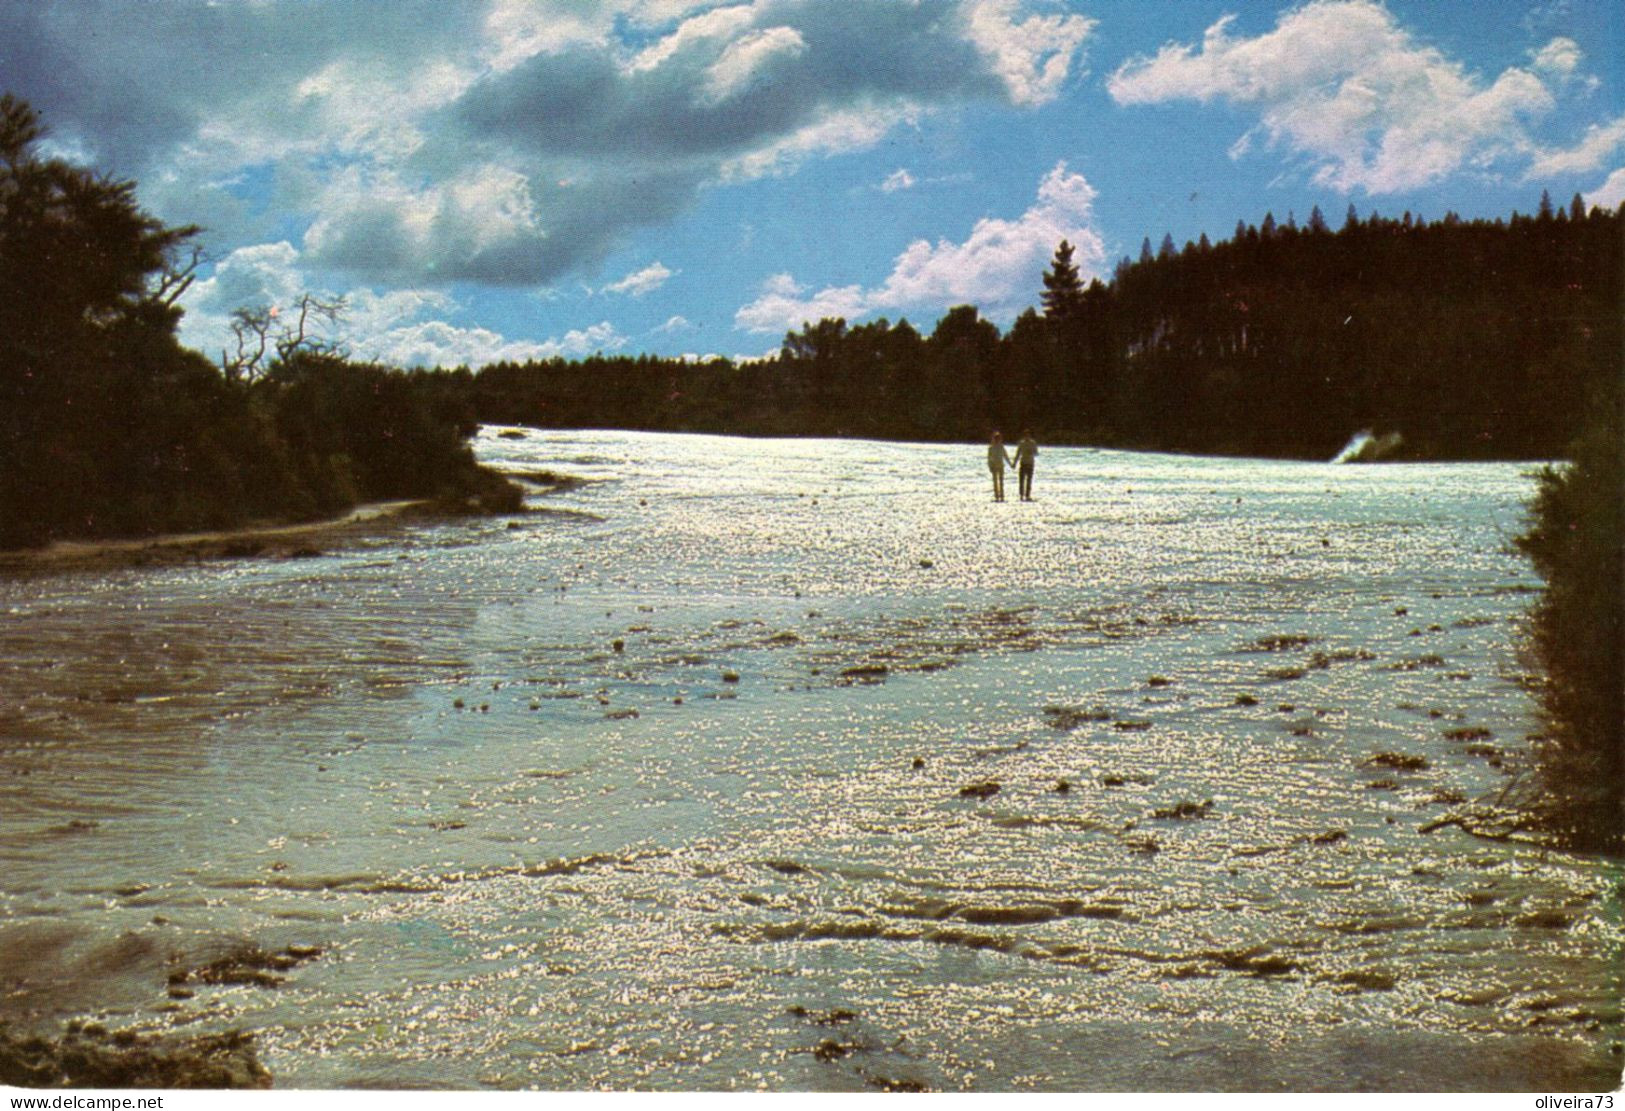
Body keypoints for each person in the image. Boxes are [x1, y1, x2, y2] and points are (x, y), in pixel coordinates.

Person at [987, 431, 1014, 502]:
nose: (997, 440)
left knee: (1001, 482)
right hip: (994, 466)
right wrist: (990, 466)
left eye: (998, 438)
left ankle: (1002, 496)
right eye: (996, 438)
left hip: (1001, 466)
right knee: (995, 482)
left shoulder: (1001, 447)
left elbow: (1005, 456)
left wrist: (1010, 464)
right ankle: (997, 496)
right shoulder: (991, 448)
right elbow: (989, 458)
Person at [1014, 430, 1038, 501]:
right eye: (1025, 435)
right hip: (1023, 462)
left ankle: (1028, 495)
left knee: (1029, 480)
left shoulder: (1033, 443)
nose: (1027, 436)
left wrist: (1032, 452)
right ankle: (1021, 494)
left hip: (1030, 463)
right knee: (1021, 480)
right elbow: (1018, 453)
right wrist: (1015, 463)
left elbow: (1036, 453)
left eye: (1028, 435)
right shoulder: (1021, 443)